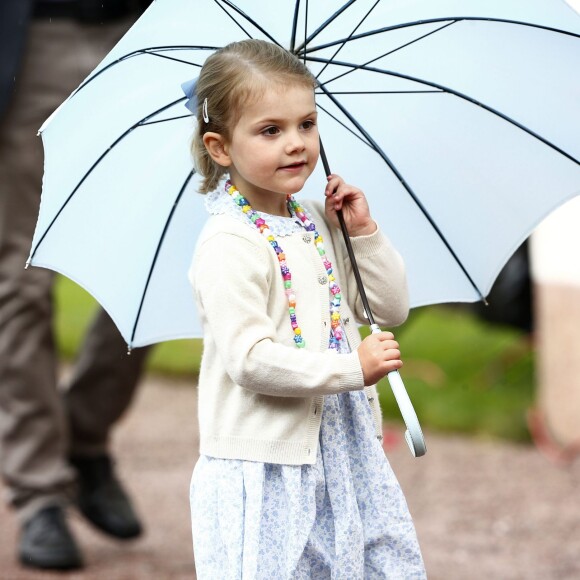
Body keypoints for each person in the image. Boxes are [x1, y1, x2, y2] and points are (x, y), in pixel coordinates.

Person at [187, 40, 425, 578]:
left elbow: (387, 308)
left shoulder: (318, 219)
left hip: (341, 447)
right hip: (268, 463)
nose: (296, 143)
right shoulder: (230, 242)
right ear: (220, 148)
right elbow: (249, 359)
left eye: (307, 123)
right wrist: (351, 369)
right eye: (270, 130)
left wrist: (362, 234)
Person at [0, 0, 150, 571]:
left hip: (142, 30)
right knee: (21, 279)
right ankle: (39, 491)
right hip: (34, 34)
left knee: (160, 259)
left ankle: (83, 435)